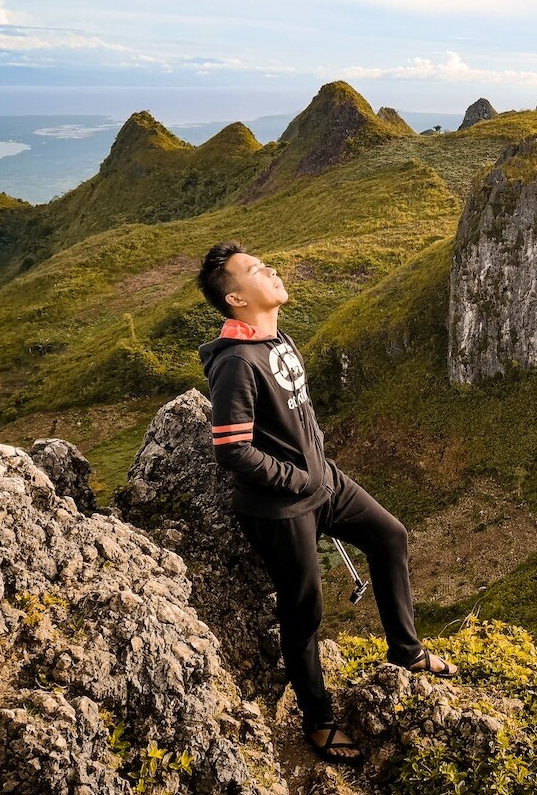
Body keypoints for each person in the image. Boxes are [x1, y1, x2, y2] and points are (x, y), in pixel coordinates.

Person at [195, 241, 457, 767]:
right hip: (281, 508)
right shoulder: (236, 364)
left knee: (391, 537)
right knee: (304, 609)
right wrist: (293, 479)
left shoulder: (277, 341)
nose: (269, 269)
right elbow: (232, 450)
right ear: (236, 300)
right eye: (253, 270)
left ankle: (406, 652)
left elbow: (300, 414)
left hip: (326, 484)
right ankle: (317, 719)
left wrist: (318, 464)